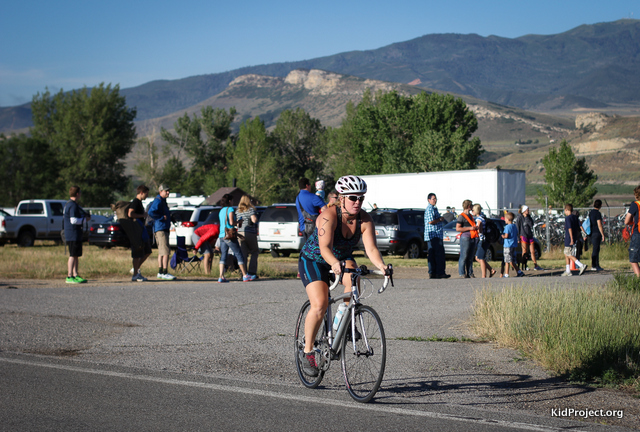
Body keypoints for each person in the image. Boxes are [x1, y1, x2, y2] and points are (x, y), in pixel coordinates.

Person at [298, 175, 392, 377]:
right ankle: (307, 352)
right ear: (341, 198)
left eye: (361, 198)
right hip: (314, 259)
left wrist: (382, 266)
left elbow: (371, 249)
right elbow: (324, 248)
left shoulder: (365, 220)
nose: (357, 202)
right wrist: (333, 263)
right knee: (320, 304)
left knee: (354, 277)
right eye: (352, 198)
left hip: (341, 259)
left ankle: (344, 322)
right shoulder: (328, 216)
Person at [218, 193, 254, 283]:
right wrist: (238, 221)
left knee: (223, 255)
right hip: (229, 235)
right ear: (229, 201)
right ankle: (245, 275)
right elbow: (231, 222)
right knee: (239, 254)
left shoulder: (221, 210)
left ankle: (221, 276)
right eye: (232, 200)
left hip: (222, 235)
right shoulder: (230, 209)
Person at [148, 184, 176, 281]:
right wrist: (160, 218)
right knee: (166, 251)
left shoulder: (162, 201)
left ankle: (160, 272)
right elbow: (151, 212)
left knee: (161, 251)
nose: (168, 192)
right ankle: (164, 272)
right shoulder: (158, 201)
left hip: (161, 228)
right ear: (160, 191)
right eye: (166, 191)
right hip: (161, 229)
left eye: (168, 191)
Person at [63, 185, 88, 284]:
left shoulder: (69, 204)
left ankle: (75, 274)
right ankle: (69, 275)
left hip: (75, 233)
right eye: (80, 193)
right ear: (77, 194)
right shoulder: (72, 205)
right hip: (72, 233)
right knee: (72, 255)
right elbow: (73, 220)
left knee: (76, 255)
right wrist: (85, 219)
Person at [127, 185, 152, 282]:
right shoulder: (135, 202)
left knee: (147, 251)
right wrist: (142, 215)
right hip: (136, 231)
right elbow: (130, 213)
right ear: (141, 192)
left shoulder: (139, 202)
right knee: (137, 252)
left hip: (141, 230)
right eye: (146, 193)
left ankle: (136, 270)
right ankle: (135, 274)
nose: (147, 196)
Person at [423, 193, 449, 279]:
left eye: (435, 199)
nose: (435, 200)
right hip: (433, 235)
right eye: (433, 199)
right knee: (438, 254)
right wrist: (440, 219)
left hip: (436, 235)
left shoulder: (434, 208)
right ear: (429, 200)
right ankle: (438, 272)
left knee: (434, 254)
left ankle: (435, 272)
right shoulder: (430, 209)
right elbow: (430, 221)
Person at [295, 177, 327, 242]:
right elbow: (325, 209)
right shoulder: (313, 197)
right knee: (316, 249)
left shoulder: (297, 198)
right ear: (307, 185)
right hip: (314, 227)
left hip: (303, 227)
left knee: (309, 249)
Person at [236, 194, 260, 279]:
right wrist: (256, 219)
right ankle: (252, 271)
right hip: (250, 232)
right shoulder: (250, 210)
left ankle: (243, 272)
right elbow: (254, 220)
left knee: (243, 253)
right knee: (254, 251)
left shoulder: (238, 211)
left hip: (240, 233)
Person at [561, 204, 587, 276]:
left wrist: (571, 239)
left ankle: (581, 265)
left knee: (568, 254)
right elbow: (580, 225)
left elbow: (569, 228)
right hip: (575, 237)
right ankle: (568, 270)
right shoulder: (575, 217)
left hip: (569, 238)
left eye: (564, 210)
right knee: (566, 254)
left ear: (566, 209)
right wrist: (584, 233)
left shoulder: (568, 218)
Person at [456, 199, 478, 278]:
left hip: (472, 237)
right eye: (471, 205)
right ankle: (462, 273)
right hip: (465, 237)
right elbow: (458, 228)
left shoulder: (471, 216)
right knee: (464, 255)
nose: (472, 207)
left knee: (470, 256)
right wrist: (470, 228)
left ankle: (470, 272)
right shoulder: (461, 216)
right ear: (468, 206)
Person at [473, 204, 496, 278]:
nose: (472, 211)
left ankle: (484, 275)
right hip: (486, 240)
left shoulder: (479, 219)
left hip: (482, 240)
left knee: (481, 258)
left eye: (473, 210)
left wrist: (476, 229)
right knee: (477, 257)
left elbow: (480, 230)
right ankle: (491, 269)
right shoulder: (483, 217)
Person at [517, 205, 543, 271]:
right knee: (525, 251)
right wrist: (518, 237)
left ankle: (535, 265)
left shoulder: (529, 217)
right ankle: (524, 265)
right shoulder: (520, 217)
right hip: (523, 235)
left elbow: (531, 225)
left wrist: (527, 218)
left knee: (533, 251)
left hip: (530, 235)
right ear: (524, 211)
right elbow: (518, 227)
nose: (528, 211)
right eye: (527, 210)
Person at [501, 212, 524, 278]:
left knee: (507, 260)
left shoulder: (507, 227)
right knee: (511, 259)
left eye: (505, 218)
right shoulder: (514, 226)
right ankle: (517, 271)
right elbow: (516, 233)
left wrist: (503, 236)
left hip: (507, 245)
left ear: (508, 219)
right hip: (513, 245)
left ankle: (508, 273)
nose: (504, 220)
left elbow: (506, 235)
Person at [624, 185, 640, 277]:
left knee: (633, 259)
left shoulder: (635, 204)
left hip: (638, 233)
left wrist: (632, 222)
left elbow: (626, 221)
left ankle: (638, 281)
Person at [587, 199, 605, 271]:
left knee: (595, 249)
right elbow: (599, 224)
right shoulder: (598, 213)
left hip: (591, 233)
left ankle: (596, 265)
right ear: (600, 205)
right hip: (596, 233)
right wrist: (602, 234)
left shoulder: (591, 212)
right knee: (596, 249)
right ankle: (594, 265)